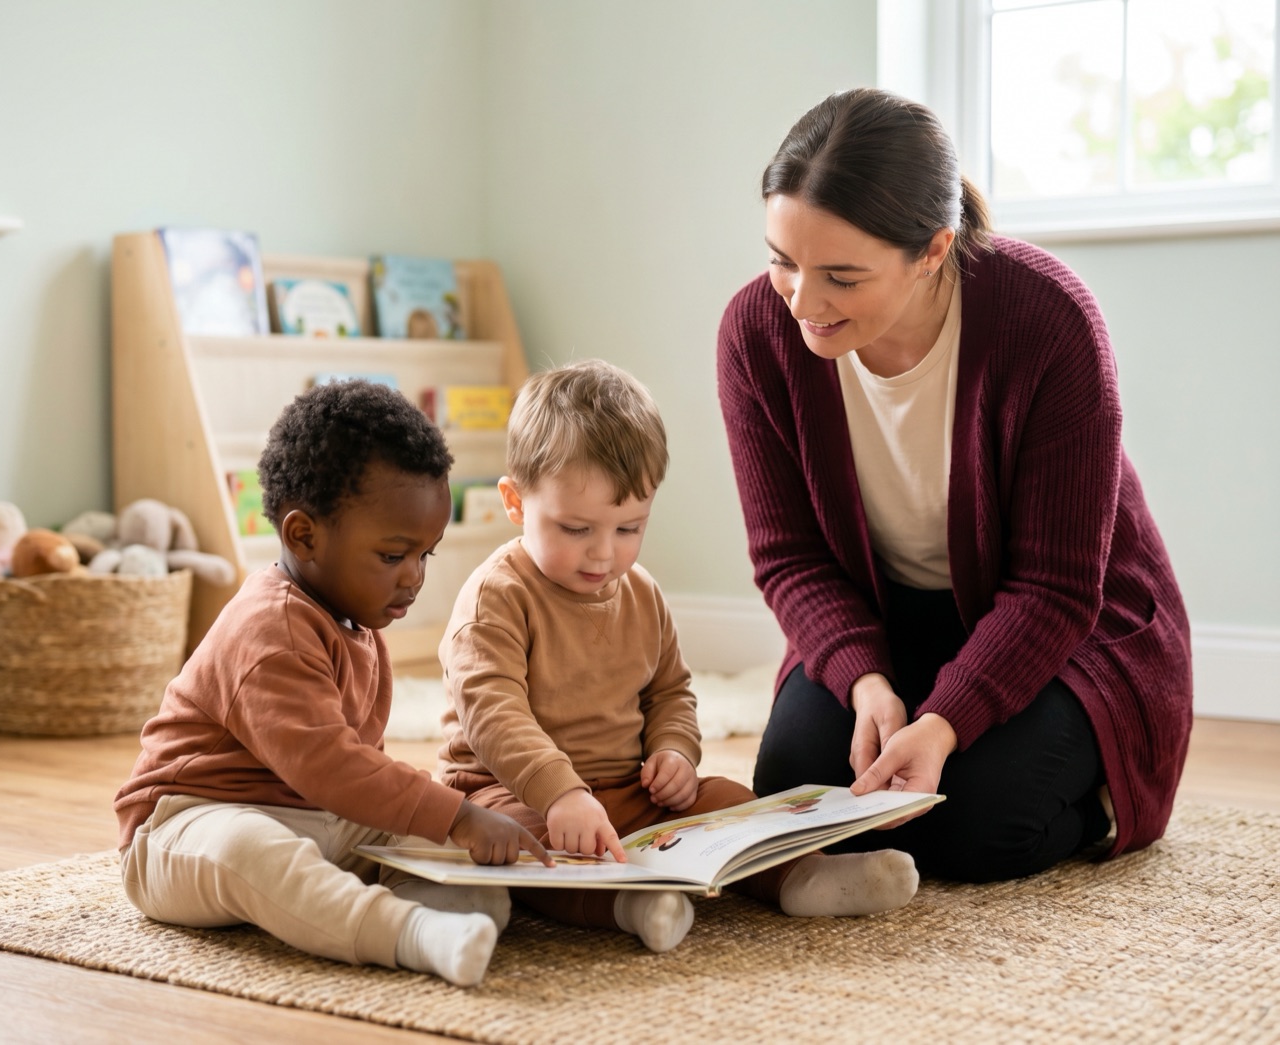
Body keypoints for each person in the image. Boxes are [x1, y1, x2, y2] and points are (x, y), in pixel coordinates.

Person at [716, 87, 1193, 883]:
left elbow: (1056, 587)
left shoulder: (1049, 321)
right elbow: (790, 556)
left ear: (934, 250)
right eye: (782, 261)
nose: (803, 301)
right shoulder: (755, 334)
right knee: (798, 798)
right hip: (885, 619)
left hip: (1065, 625)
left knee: (977, 827)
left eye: (840, 274)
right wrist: (867, 684)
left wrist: (944, 722)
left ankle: (1106, 789)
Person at [437, 359, 920, 953]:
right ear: (515, 502)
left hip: (624, 791)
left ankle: (805, 875)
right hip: (510, 790)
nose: (602, 555)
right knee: (525, 843)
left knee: (731, 801)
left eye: (627, 528)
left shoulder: (640, 591)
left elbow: (670, 692)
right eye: (574, 528)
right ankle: (627, 902)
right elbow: (493, 715)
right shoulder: (497, 597)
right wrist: (561, 793)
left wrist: (674, 752)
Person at [114, 380, 552, 988]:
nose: (414, 577)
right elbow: (330, 764)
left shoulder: (353, 618)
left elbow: (357, 781)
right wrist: (454, 814)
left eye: (426, 553)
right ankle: (405, 934)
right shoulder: (271, 629)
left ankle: (457, 920)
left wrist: (457, 827)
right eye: (393, 555)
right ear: (304, 536)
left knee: (442, 846)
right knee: (251, 848)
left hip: (313, 814)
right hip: (188, 824)